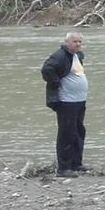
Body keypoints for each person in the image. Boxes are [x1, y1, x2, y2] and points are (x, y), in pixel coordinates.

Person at [41, 32, 89, 177]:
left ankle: (76, 163)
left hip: (79, 100)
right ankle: (63, 168)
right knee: (66, 133)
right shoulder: (60, 55)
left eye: (80, 42)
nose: (78, 44)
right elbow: (46, 70)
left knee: (79, 131)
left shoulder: (78, 56)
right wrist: (57, 83)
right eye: (75, 41)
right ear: (67, 42)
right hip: (66, 101)